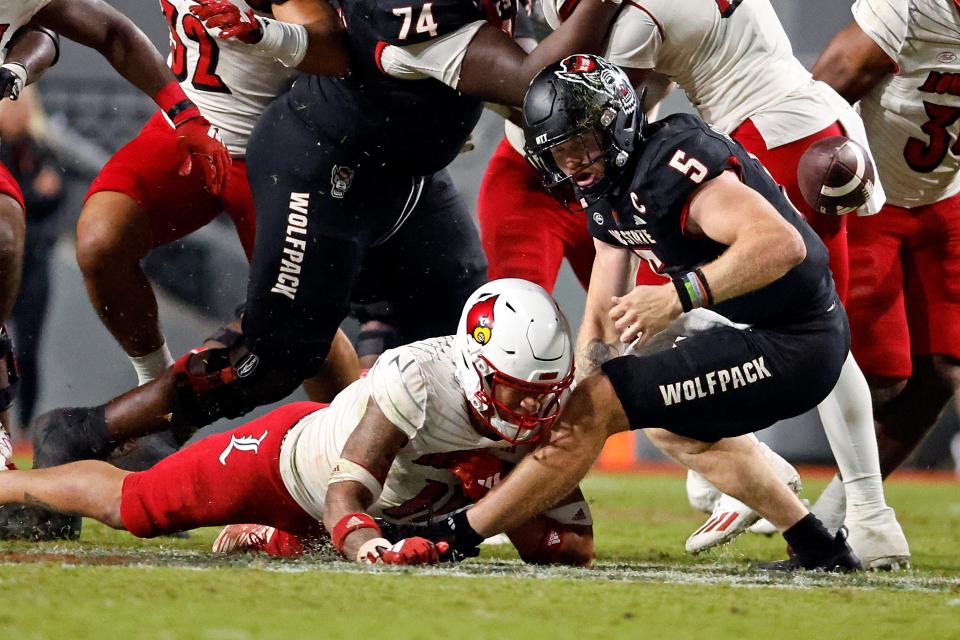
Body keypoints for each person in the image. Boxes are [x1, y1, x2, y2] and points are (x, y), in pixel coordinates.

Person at [14, 0, 626, 482]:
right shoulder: (415, 8)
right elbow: (528, 82)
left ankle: (432, 475)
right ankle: (88, 430)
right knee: (278, 351)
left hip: (400, 169)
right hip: (322, 162)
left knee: (458, 324)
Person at [483, 0, 908, 568]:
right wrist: (583, 390)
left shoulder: (638, 39)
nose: (575, 163)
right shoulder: (617, 173)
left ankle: (846, 506)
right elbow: (607, 307)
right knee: (647, 379)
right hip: (808, 116)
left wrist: (680, 295)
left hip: (758, 136)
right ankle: (828, 513)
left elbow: (611, 108)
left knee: (778, 315)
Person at [399, 55, 862, 572]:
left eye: (581, 144)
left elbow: (782, 245)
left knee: (605, 404)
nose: (572, 162)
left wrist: (676, 296)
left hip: (796, 339)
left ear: (617, 124)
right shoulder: (606, 191)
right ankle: (820, 546)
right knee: (657, 421)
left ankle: (457, 534)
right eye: (559, 151)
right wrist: (569, 405)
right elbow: (600, 317)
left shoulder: (673, 167)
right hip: (763, 327)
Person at [0, 280, 594, 567]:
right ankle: (9, 482)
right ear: (474, 369)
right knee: (131, 507)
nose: (532, 412)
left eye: (545, 395)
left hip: (384, 501)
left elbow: (569, 549)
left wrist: (497, 487)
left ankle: (277, 538)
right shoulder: (418, 379)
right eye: (517, 392)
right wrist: (373, 552)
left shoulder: (540, 410)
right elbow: (344, 498)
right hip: (285, 466)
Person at [76, 0, 357, 391]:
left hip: (275, 152)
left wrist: (264, 32)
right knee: (101, 242)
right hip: (187, 128)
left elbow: (335, 51)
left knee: (302, 327)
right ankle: (155, 386)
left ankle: (348, 444)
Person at [807, 0, 960, 531]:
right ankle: (737, 471)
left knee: (942, 372)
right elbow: (819, 97)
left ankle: (834, 519)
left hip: (945, 197)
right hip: (872, 198)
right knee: (877, 372)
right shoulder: (913, 8)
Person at [0, 87, 65, 429]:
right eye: (11, 106)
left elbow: (57, 192)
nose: (17, 113)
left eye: (23, 106)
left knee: (27, 351)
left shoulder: (40, 147)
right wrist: (36, 193)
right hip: (5, 262)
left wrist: (36, 196)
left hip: (34, 262)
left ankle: (23, 432)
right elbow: (19, 201)